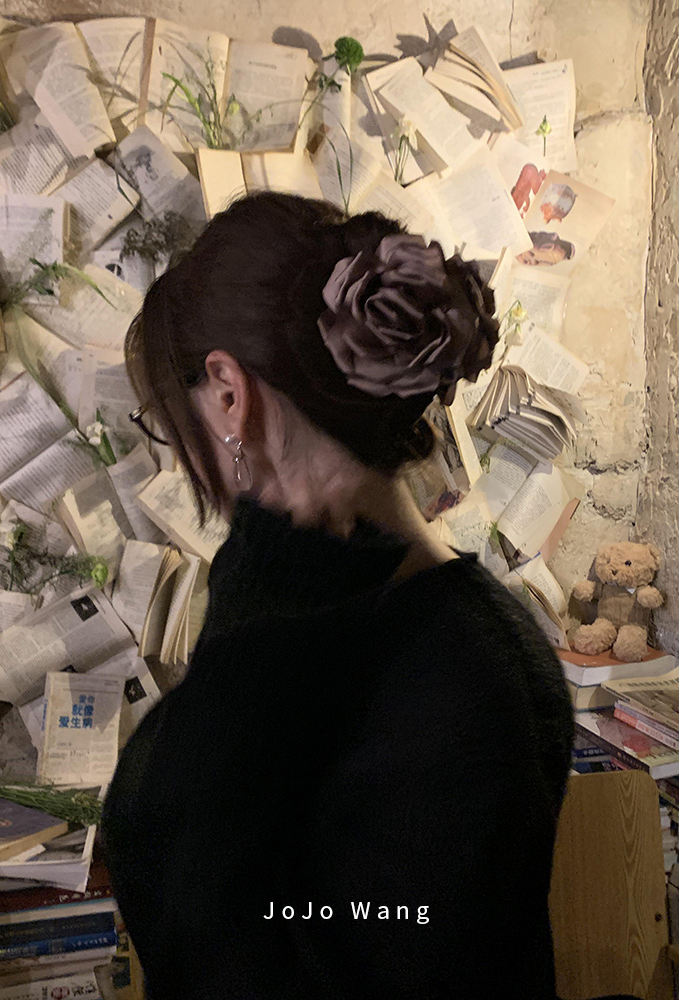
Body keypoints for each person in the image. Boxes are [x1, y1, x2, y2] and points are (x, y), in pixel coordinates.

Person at [101, 191, 575, 1000]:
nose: (181, 458)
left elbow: (200, 907)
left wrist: (260, 577)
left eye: (171, 422)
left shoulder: (436, 667)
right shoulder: (448, 626)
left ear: (228, 392)